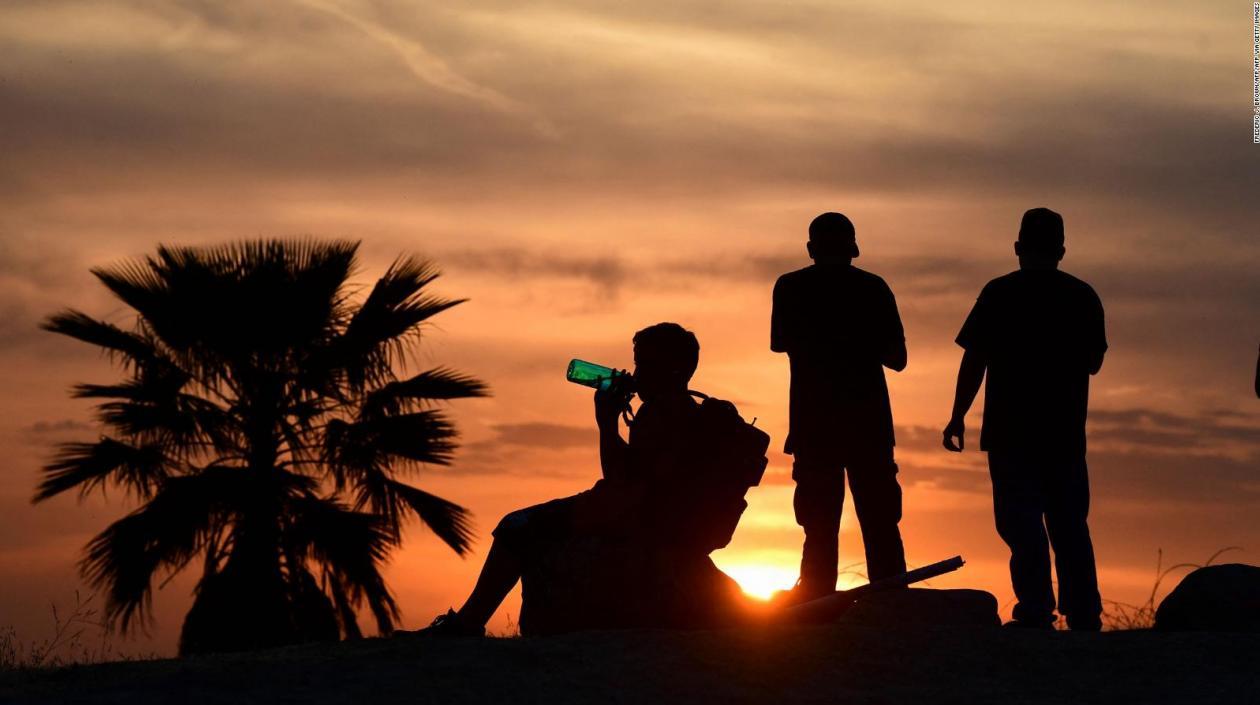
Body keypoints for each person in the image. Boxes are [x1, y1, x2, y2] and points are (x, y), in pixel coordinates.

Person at [410, 322, 749, 637]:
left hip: (629, 517)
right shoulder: (683, 411)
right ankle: (469, 621)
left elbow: (620, 483)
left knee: (515, 526)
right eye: (637, 363)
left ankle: (468, 623)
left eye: (645, 363)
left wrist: (606, 421)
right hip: (636, 514)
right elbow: (631, 471)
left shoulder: (662, 414)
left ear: (674, 369)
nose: (636, 373)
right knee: (521, 526)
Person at [942, 207, 1106, 631]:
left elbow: (974, 358)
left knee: (1021, 525)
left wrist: (957, 415)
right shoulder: (1082, 295)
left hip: (1010, 432)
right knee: (1070, 523)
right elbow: (1093, 362)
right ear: (1062, 250)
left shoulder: (998, 293)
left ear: (1017, 248)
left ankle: (1036, 610)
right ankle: (1083, 612)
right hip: (1063, 433)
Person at [771, 212, 908, 604]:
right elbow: (897, 357)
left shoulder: (791, 287)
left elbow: (781, 342)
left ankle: (816, 602)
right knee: (878, 521)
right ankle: (890, 602)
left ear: (811, 249)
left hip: (816, 425)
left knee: (819, 523)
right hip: (866, 425)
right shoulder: (873, 288)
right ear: (854, 248)